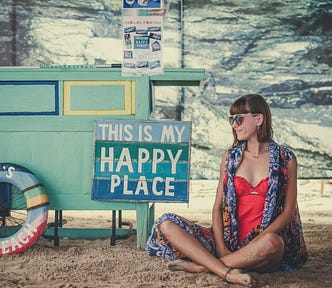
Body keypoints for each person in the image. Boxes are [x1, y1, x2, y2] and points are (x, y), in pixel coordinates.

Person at [145, 94, 308, 286]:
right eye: (231, 119)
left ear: (259, 118)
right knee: (166, 223)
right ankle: (228, 270)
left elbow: (288, 213)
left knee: (274, 243)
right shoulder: (230, 157)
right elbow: (218, 207)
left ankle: (204, 266)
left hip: (263, 243)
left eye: (239, 119)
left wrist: (256, 243)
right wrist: (221, 247)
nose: (234, 125)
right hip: (230, 240)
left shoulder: (286, 158)